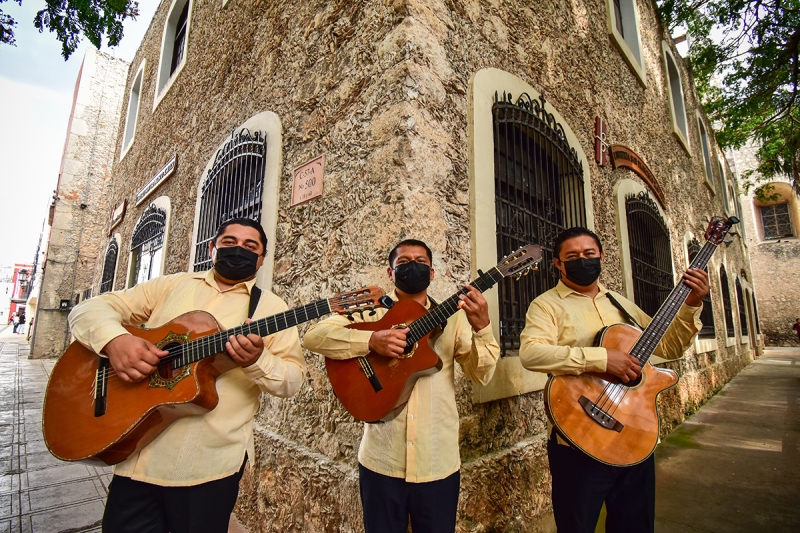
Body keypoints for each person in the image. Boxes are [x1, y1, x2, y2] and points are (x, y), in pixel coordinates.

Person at [68, 218, 306, 533]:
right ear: (212, 248)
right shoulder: (171, 285)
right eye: (229, 242)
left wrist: (257, 360)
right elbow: (89, 309)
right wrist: (115, 341)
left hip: (210, 470)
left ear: (261, 259)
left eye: (250, 246)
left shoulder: (274, 309)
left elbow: (292, 381)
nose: (239, 250)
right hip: (138, 459)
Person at [519, 227, 709, 533]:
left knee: (635, 526)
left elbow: (670, 346)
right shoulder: (546, 305)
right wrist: (603, 359)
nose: (582, 260)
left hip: (634, 437)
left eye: (589, 254)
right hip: (578, 440)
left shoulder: (621, 305)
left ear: (602, 257)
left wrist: (692, 304)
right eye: (572, 256)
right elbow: (532, 354)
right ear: (558, 263)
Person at [303, 239, 501, 533]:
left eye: (421, 262)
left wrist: (482, 328)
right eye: (404, 262)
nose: (413, 267)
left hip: (437, 463)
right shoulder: (370, 310)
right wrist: (370, 340)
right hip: (382, 461)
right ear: (390, 272)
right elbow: (314, 337)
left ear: (432, 273)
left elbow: (481, 375)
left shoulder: (456, 318)